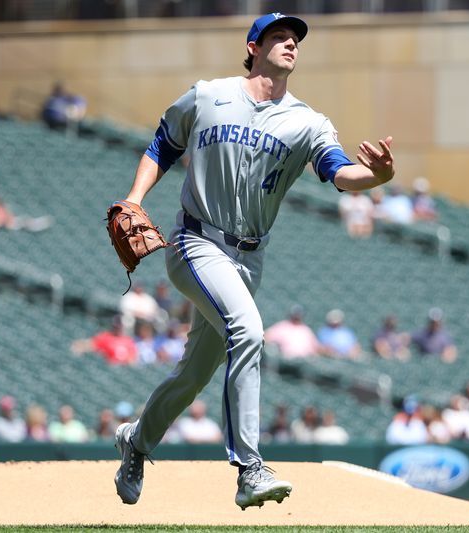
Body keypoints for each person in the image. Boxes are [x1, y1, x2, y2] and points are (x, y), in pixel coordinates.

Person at [109, 12, 396, 510]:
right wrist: (134, 199)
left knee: (194, 374)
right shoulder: (208, 95)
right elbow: (162, 144)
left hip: (249, 260)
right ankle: (249, 469)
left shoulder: (308, 121)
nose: (291, 44)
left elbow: (339, 172)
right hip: (196, 242)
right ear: (253, 46)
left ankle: (137, 442)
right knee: (249, 331)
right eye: (279, 37)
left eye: (295, 39)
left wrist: (376, 179)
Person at [71, 315, 138, 365]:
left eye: (120, 327)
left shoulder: (128, 340)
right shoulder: (105, 337)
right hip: (108, 367)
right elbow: (91, 345)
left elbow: (133, 359)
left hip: (122, 369)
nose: (118, 328)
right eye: (117, 326)